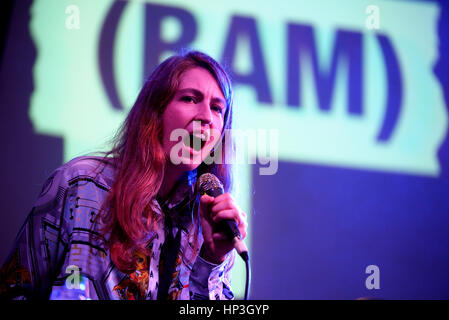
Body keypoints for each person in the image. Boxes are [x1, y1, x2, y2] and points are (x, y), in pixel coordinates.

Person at [0, 50, 247, 300]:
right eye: (189, 99)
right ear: (156, 111)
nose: (206, 117)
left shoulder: (208, 221)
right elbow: (13, 290)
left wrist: (213, 259)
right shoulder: (82, 185)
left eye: (217, 108)